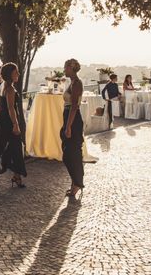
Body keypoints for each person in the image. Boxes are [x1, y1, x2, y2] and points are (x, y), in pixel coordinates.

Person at [0, 62, 26, 188]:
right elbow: (11, 109)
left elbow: (1, 106)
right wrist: (16, 124)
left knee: (2, 148)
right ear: (10, 74)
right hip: (9, 123)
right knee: (11, 149)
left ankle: (13, 175)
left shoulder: (2, 85)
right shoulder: (10, 89)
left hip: (2, 122)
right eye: (16, 72)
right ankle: (8, 172)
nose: (18, 74)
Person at [61, 58, 85, 199]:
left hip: (73, 120)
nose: (64, 70)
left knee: (71, 153)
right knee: (69, 153)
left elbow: (74, 106)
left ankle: (77, 183)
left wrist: (69, 126)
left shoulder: (77, 84)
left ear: (71, 68)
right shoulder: (72, 82)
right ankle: (75, 182)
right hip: (68, 118)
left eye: (65, 67)